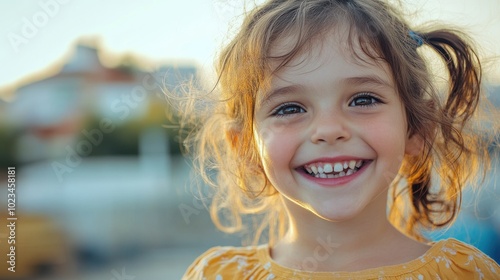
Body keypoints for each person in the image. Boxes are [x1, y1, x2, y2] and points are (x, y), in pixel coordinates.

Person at [178, 0, 500, 278]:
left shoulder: (469, 273)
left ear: (415, 128)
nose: (329, 129)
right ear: (246, 147)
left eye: (363, 100)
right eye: (290, 108)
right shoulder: (216, 275)